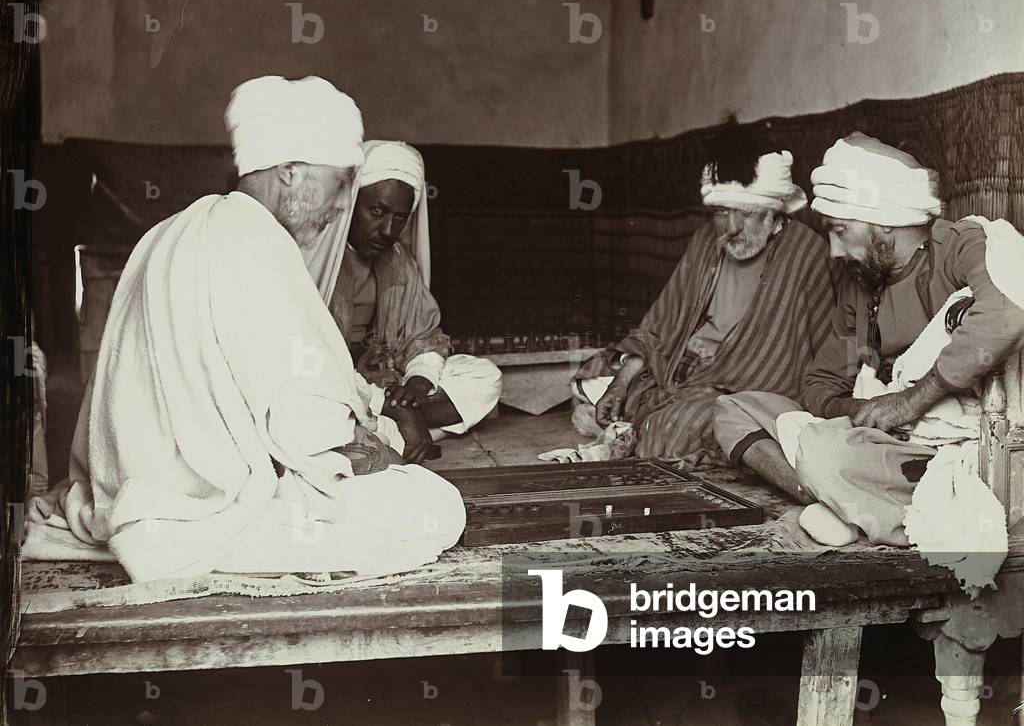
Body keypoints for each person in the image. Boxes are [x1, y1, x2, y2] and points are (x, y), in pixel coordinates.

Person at [23, 76, 466, 582]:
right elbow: (303, 427)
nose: (342, 205)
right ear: (292, 173)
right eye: (341, 184)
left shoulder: (178, 227)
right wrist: (374, 446)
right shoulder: (253, 243)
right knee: (434, 506)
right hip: (199, 506)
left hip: (136, 478)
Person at [715, 133, 1024, 546]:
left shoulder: (961, 246)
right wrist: (861, 410)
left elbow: (1008, 310)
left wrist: (908, 402)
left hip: (944, 451)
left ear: (885, 223)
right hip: (880, 443)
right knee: (734, 409)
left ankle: (847, 502)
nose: (834, 250)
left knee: (828, 457)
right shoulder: (862, 285)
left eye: (841, 230)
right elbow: (821, 383)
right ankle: (846, 501)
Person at [572, 127, 833, 462]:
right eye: (723, 212)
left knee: (685, 425)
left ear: (774, 211)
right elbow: (662, 322)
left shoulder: (806, 253)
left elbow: (803, 360)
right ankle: (633, 426)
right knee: (592, 380)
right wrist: (620, 384)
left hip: (742, 387)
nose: (733, 227)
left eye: (747, 213)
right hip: (681, 371)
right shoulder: (706, 241)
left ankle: (635, 430)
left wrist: (721, 373)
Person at [303, 140, 501, 462]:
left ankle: (387, 431)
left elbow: (423, 336)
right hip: (331, 384)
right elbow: (309, 360)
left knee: (484, 377)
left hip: (381, 380)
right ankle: (398, 428)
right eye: (377, 211)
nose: (387, 231)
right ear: (352, 201)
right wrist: (393, 407)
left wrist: (419, 384)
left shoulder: (398, 260)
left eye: (399, 218)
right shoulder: (316, 260)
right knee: (309, 401)